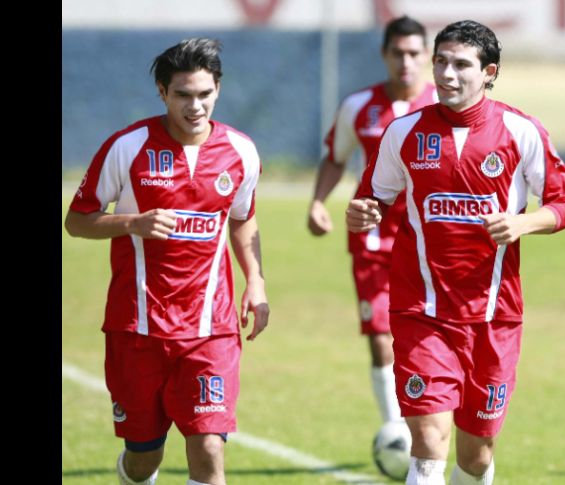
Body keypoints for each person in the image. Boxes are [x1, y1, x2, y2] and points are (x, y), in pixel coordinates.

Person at [346, 20, 565, 484]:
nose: (447, 74)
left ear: (489, 72)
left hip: (494, 316)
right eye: (441, 62)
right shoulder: (404, 132)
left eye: (462, 65)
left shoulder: (520, 131)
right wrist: (362, 213)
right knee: (429, 443)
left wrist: (522, 222)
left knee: (476, 454)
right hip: (422, 311)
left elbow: (564, 205)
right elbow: (373, 197)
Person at [64, 38, 269, 485]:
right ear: (162, 92)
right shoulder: (127, 147)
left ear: (218, 88)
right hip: (137, 328)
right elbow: (77, 222)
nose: (195, 106)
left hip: (209, 329)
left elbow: (242, 219)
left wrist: (256, 282)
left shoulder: (241, 152)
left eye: (204, 94)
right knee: (144, 460)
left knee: (209, 448)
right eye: (183, 95)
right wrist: (131, 222)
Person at [307, 16, 437, 426]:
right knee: (381, 337)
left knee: (431, 336)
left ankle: (428, 421)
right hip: (373, 239)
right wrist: (317, 201)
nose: (406, 62)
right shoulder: (358, 106)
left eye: (414, 53)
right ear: (384, 55)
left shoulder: (442, 106)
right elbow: (335, 158)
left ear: (427, 56)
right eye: (397, 53)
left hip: (430, 243)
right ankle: (395, 430)